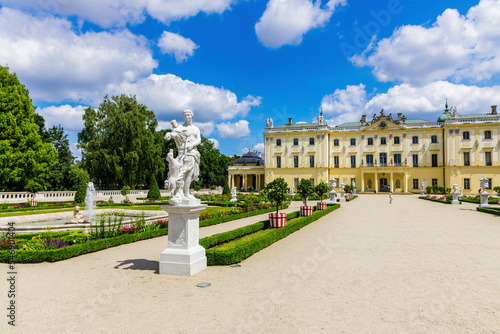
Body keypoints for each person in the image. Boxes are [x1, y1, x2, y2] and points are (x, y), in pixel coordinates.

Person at [164, 109, 201, 201]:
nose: (187, 117)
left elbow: (198, 140)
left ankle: (186, 192)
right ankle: (182, 192)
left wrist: (192, 145)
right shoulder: (181, 127)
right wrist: (169, 134)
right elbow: (174, 133)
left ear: (192, 116)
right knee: (182, 172)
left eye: (189, 115)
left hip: (192, 153)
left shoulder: (196, 129)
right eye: (185, 115)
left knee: (189, 174)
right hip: (183, 153)